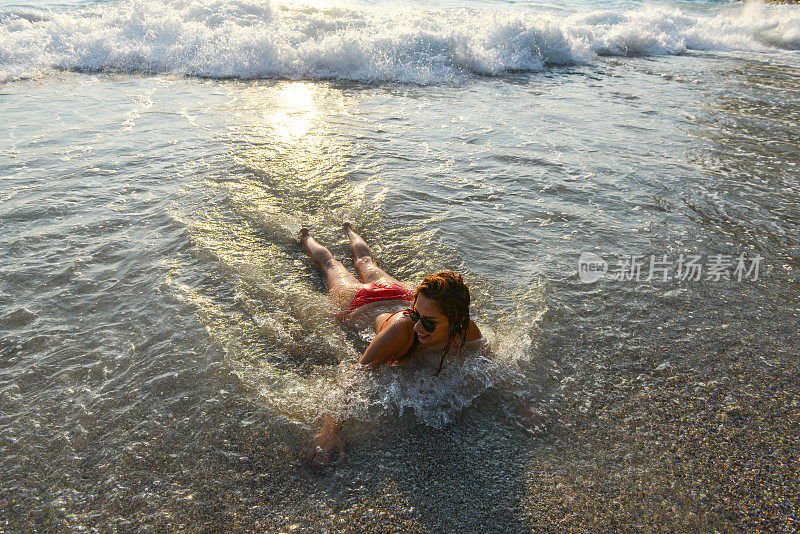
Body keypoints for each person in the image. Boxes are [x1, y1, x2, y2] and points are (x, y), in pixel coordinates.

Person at [299, 223, 537, 468]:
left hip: (398, 293)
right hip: (359, 302)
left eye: (430, 324)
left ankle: (348, 229)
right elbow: (353, 375)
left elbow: (494, 366)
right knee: (331, 263)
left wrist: (522, 407)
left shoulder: (465, 329)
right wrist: (329, 432)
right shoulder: (402, 331)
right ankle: (307, 235)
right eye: (416, 315)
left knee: (366, 261)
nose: (417, 328)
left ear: (456, 322)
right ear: (415, 303)